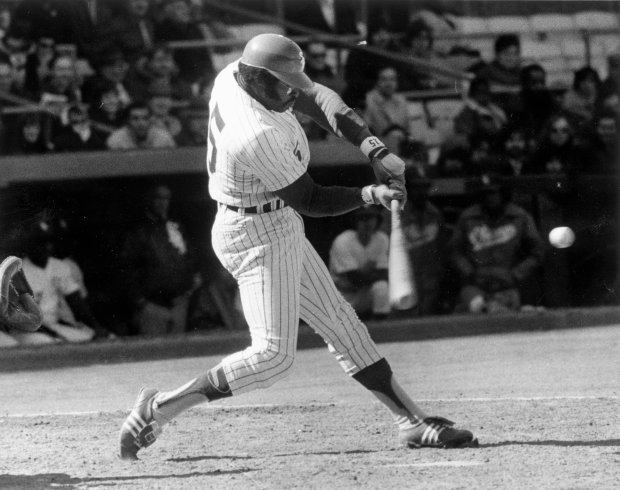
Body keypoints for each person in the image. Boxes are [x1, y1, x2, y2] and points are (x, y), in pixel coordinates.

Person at [119, 33, 476, 460]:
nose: (291, 90)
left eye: (292, 80)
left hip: (276, 220)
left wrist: (372, 147)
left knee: (343, 325)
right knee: (273, 356)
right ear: (254, 78)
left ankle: (412, 422)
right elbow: (310, 200)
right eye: (281, 83)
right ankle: (158, 409)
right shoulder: (254, 133)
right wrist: (370, 194)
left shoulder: (238, 74)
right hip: (252, 235)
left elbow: (315, 96)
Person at [450, 174, 545, 314]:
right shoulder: (467, 218)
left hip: (508, 286)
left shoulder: (520, 217)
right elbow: (454, 251)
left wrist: (516, 274)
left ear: (503, 193)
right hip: (476, 285)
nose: (489, 197)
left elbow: (538, 251)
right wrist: (469, 272)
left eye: (493, 192)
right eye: (485, 193)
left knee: (505, 319)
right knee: (475, 312)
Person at [120, 184, 201, 336]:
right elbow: (126, 269)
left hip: (179, 304)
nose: (162, 202)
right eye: (158, 198)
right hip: (152, 307)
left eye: (166, 198)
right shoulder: (138, 232)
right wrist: (140, 302)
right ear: (149, 200)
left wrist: (188, 291)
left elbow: (190, 259)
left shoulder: (175, 227)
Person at [18, 218, 109, 344]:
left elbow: (76, 302)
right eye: (38, 243)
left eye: (47, 242)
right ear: (29, 245)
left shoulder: (59, 267)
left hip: (53, 326)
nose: (44, 247)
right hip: (28, 331)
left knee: (92, 339)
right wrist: (54, 333)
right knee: (49, 343)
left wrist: (96, 327)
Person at [329, 205, 390, 320]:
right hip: (342, 295)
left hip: (364, 292)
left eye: (371, 217)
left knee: (381, 287)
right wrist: (370, 272)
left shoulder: (382, 239)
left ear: (377, 220)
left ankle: (382, 329)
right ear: (355, 221)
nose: (367, 222)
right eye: (362, 218)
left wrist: (363, 273)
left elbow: (384, 274)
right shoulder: (343, 240)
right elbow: (354, 279)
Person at [364, 66, 410, 155]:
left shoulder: (401, 100)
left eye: (392, 79)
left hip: (402, 145)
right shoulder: (370, 100)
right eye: (384, 79)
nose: (388, 84)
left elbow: (408, 128)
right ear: (378, 82)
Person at [106, 101, 176, 150]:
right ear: (127, 121)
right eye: (135, 119)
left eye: (145, 118)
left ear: (151, 120)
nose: (141, 123)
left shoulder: (164, 139)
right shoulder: (116, 140)